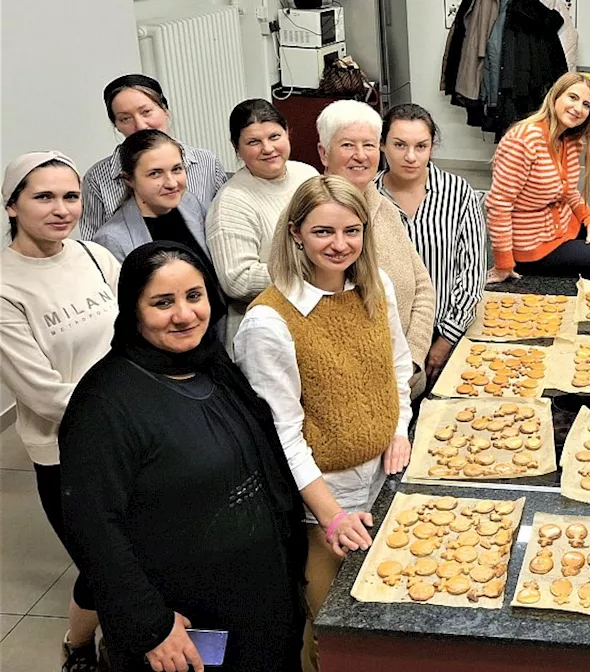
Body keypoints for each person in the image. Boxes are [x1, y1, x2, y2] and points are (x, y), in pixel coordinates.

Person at [59, 242, 304, 672]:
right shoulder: (104, 404)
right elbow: (94, 529)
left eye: (194, 296)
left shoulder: (211, 362)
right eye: (162, 303)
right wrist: (149, 625)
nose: (185, 314)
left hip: (259, 602)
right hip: (182, 627)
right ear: (132, 309)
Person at [233, 176, 412, 672]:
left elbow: (398, 368)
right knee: (334, 635)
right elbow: (283, 435)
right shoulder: (270, 322)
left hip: (382, 478)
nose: (340, 245)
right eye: (322, 232)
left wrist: (399, 429)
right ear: (295, 234)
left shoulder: (376, 287)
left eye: (351, 231)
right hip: (323, 499)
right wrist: (331, 515)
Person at [1, 152, 117, 671]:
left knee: (139, 550)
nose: (61, 209)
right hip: (67, 448)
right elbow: (43, 392)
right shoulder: (6, 286)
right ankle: (76, 646)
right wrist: (133, 400)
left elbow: (136, 334)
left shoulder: (95, 257)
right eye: (43, 197)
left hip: (130, 435)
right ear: (11, 205)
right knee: (101, 560)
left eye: (70, 196)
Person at [316, 99, 436, 397]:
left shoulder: (383, 207)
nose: (360, 156)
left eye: (368, 145)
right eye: (347, 145)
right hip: (357, 397)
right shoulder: (310, 217)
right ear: (323, 153)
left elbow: (423, 287)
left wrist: (412, 360)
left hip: (407, 384)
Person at [486, 72, 590, 281]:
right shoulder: (523, 140)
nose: (578, 108)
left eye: (586, 105)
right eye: (572, 97)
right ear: (555, 97)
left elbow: (569, 192)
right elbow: (499, 205)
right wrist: (503, 264)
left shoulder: (570, 140)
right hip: (534, 245)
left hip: (565, 226)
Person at [377, 103, 487, 383]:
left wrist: (446, 340)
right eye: (399, 145)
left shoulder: (458, 193)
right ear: (382, 145)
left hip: (445, 330)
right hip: (386, 336)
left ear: (432, 147)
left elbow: (472, 273)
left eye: (421, 146)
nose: (410, 157)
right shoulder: (368, 198)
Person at [206, 98, 319, 345]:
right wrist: (311, 270)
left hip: (315, 317)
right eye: (253, 142)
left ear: (288, 132)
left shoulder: (308, 175)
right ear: (237, 148)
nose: (267, 149)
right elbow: (237, 280)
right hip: (266, 331)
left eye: (274, 136)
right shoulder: (231, 202)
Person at [80, 74, 226, 239]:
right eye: (125, 118)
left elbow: (224, 227)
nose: (141, 125)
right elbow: (93, 245)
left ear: (165, 110)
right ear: (116, 126)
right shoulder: (97, 178)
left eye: (146, 112)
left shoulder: (205, 162)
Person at [92, 129, 213, 273]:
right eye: (155, 173)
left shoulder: (190, 203)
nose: (172, 183)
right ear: (129, 179)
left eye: (177, 169)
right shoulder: (112, 239)